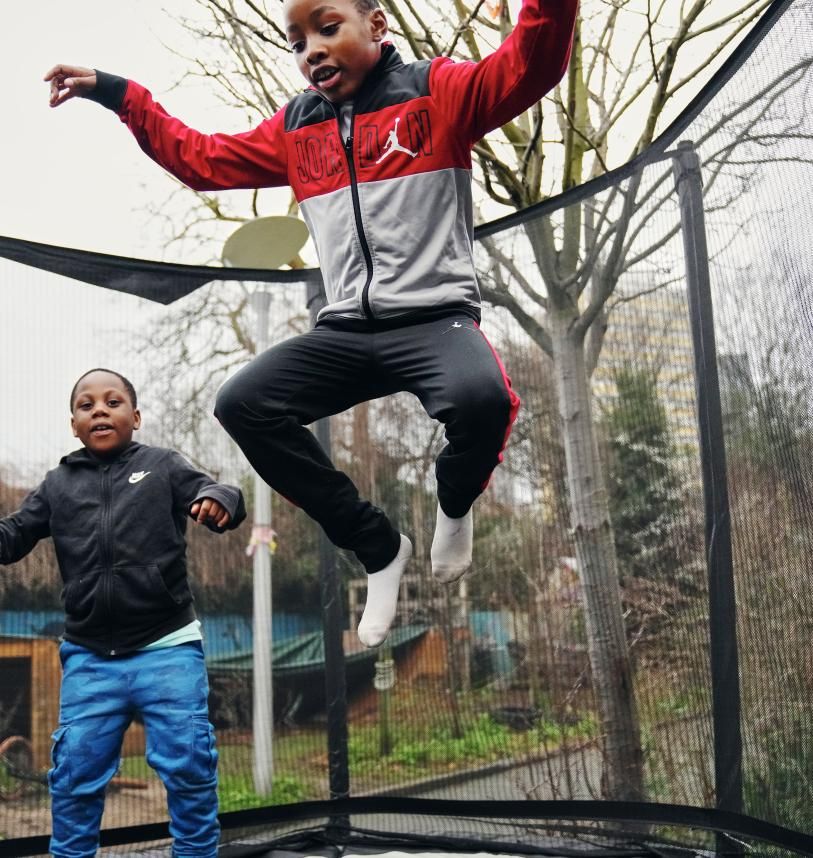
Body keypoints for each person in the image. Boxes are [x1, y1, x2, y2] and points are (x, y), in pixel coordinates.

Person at [44, 0, 577, 648]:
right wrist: (115, 92)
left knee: (481, 398)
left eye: (328, 28)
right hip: (347, 328)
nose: (313, 50)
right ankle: (377, 547)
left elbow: (531, 65)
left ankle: (455, 502)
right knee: (243, 404)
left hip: (434, 318)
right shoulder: (298, 128)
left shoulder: (438, 93)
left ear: (376, 27)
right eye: (298, 42)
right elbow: (201, 160)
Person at [0, 369, 246, 858]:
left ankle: (195, 854)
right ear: (73, 424)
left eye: (112, 402)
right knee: (74, 773)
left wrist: (218, 500)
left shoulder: (163, 466)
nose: (99, 410)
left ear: (134, 417)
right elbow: (12, 537)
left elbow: (222, 493)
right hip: (91, 657)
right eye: (86, 405)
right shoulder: (56, 485)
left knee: (189, 764)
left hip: (167, 647)